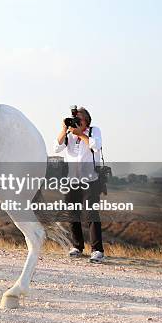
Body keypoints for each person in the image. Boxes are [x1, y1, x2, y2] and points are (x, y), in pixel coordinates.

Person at [54, 106, 105, 263]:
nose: (77, 121)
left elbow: (96, 146)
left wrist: (80, 134)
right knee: (72, 215)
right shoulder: (69, 134)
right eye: (75, 119)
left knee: (91, 214)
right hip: (72, 181)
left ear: (87, 121)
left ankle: (97, 250)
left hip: (90, 180)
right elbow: (56, 147)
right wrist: (64, 129)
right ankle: (77, 246)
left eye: (80, 119)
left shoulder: (93, 131)